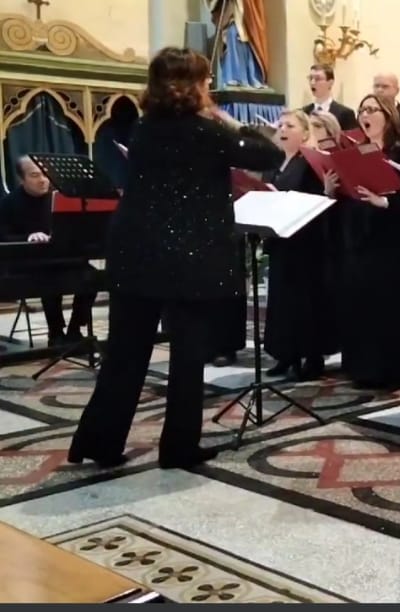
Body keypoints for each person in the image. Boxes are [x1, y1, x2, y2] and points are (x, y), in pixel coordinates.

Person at [67, 47, 283, 469]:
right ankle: (178, 447)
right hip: (189, 257)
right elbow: (270, 156)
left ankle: (99, 442)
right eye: (205, 82)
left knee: (125, 353)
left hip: (136, 252)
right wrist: (224, 117)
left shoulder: (145, 129)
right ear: (195, 87)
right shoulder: (207, 132)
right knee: (187, 356)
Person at [327, 94, 400, 390]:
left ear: (387, 115)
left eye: (372, 109)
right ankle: (361, 368)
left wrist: (384, 202)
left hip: (389, 242)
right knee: (359, 306)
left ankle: (388, 371)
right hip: (357, 238)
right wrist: (330, 190)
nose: (365, 114)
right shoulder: (353, 151)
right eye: (362, 109)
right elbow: (348, 197)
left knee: (386, 309)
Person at [262, 109, 338, 381]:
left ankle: (311, 356)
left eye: (290, 125)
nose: (282, 129)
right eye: (280, 125)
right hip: (281, 240)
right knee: (281, 301)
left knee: (305, 302)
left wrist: (327, 191)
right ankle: (285, 354)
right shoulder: (274, 163)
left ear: (305, 134)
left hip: (307, 242)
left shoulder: (309, 162)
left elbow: (320, 199)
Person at [0, 156, 97, 347]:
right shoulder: (8, 203)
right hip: (28, 262)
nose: (43, 179)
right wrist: (28, 237)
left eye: (46, 174)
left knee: (92, 277)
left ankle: (74, 329)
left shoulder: (61, 198)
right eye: (35, 175)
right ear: (22, 179)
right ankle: (55, 332)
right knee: (49, 280)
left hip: (61, 258)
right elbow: (3, 236)